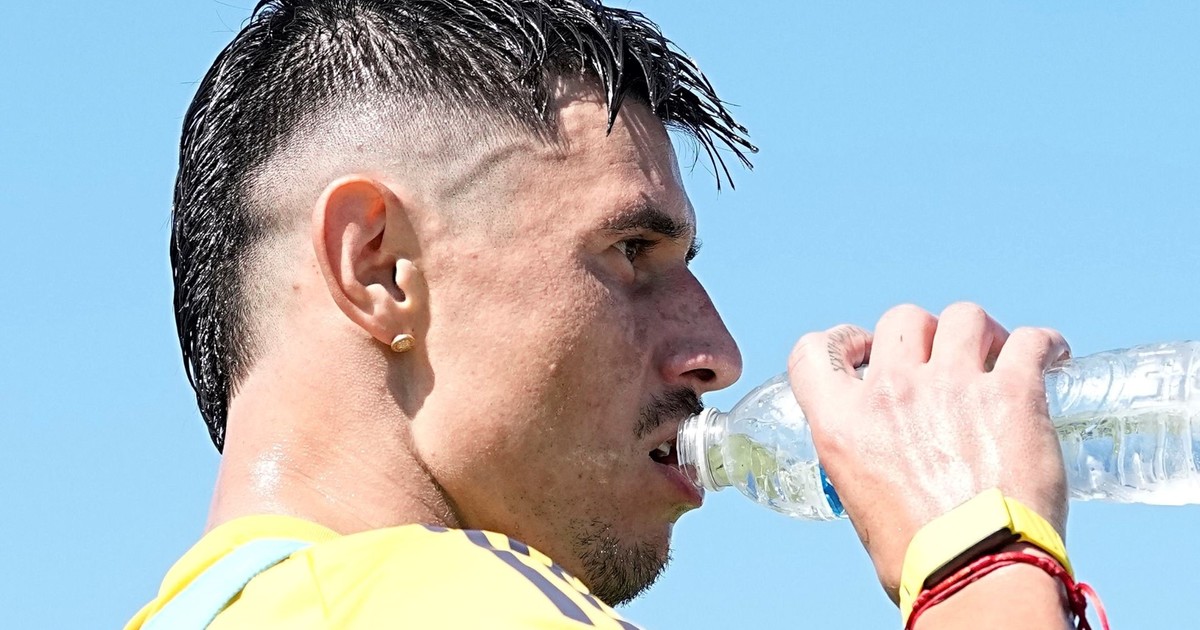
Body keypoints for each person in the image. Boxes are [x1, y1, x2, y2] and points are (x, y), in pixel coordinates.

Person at [128, 1, 1092, 628]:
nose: (716, 353)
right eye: (632, 252)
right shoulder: (439, 603)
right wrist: (979, 554)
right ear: (376, 266)